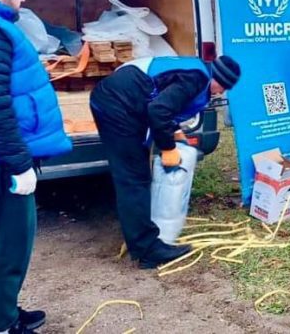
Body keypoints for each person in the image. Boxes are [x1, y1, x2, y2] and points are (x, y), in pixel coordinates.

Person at [0, 0, 72, 334]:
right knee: (5, 245)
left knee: (8, 240)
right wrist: (17, 162)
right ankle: (1, 326)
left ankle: (6, 312)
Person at [89, 55, 240, 269]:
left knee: (136, 173)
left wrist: (175, 132)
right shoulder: (196, 79)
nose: (220, 92)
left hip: (117, 99)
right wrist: (168, 148)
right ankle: (147, 250)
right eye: (222, 86)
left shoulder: (195, 71)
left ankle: (141, 234)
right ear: (216, 76)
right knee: (133, 178)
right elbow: (158, 110)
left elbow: (165, 100)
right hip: (118, 104)